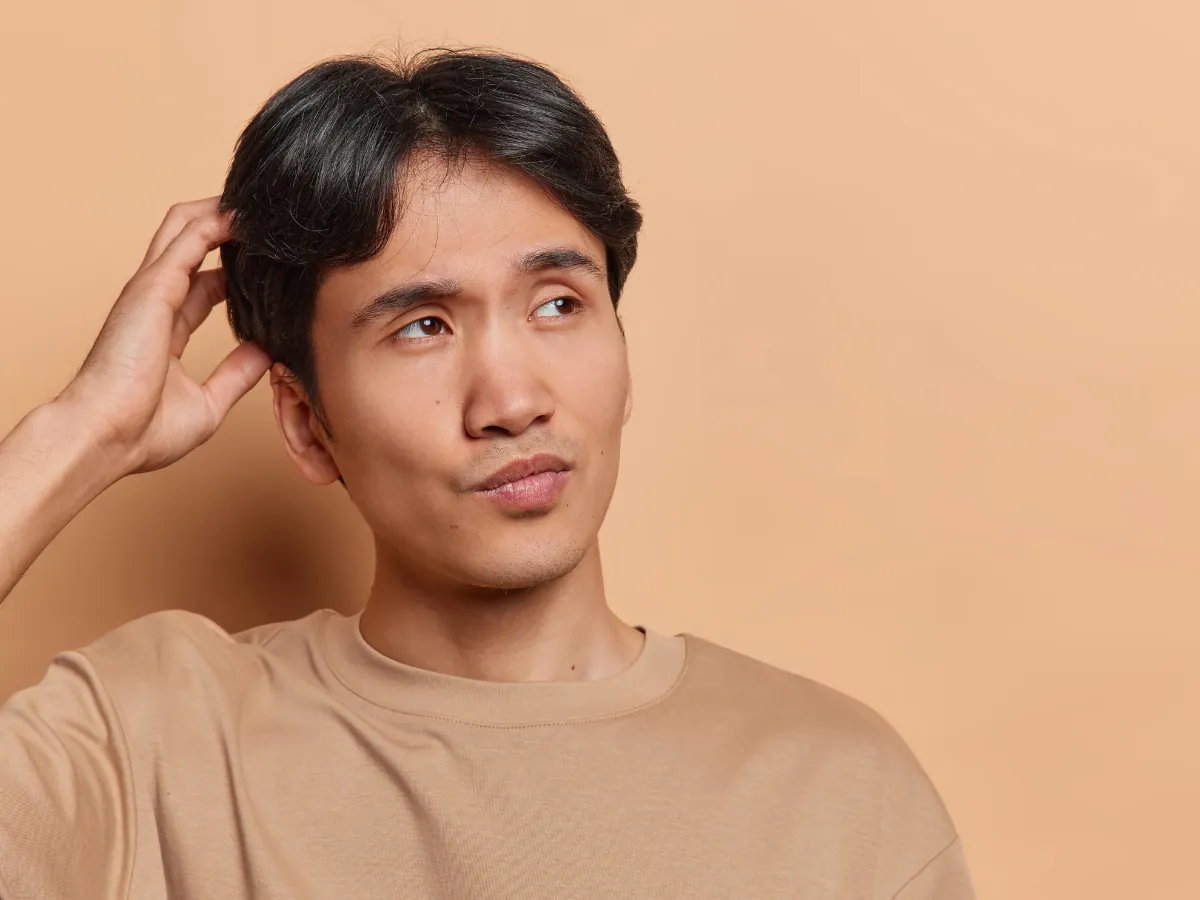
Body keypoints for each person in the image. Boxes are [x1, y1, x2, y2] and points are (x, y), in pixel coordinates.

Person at [0, 48, 975, 899]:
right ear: (306, 425)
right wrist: (81, 433)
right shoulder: (156, 742)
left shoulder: (835, 784)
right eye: (423, 326)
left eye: (557, 306)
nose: (513, 398)